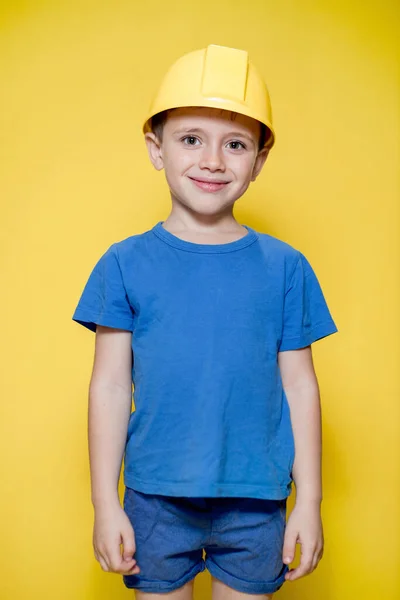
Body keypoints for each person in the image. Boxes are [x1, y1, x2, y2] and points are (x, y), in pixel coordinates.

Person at [72, 44, 338, 600]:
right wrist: (105, 501)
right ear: (156, 148)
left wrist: (309, 502)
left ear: (259, 160)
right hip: (154, 498)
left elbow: (300, 386)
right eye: (191, 138)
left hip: (256, 499)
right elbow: (111, 385)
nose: (213, 160)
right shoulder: (123, 263)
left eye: (235, 144)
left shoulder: (286, 268)